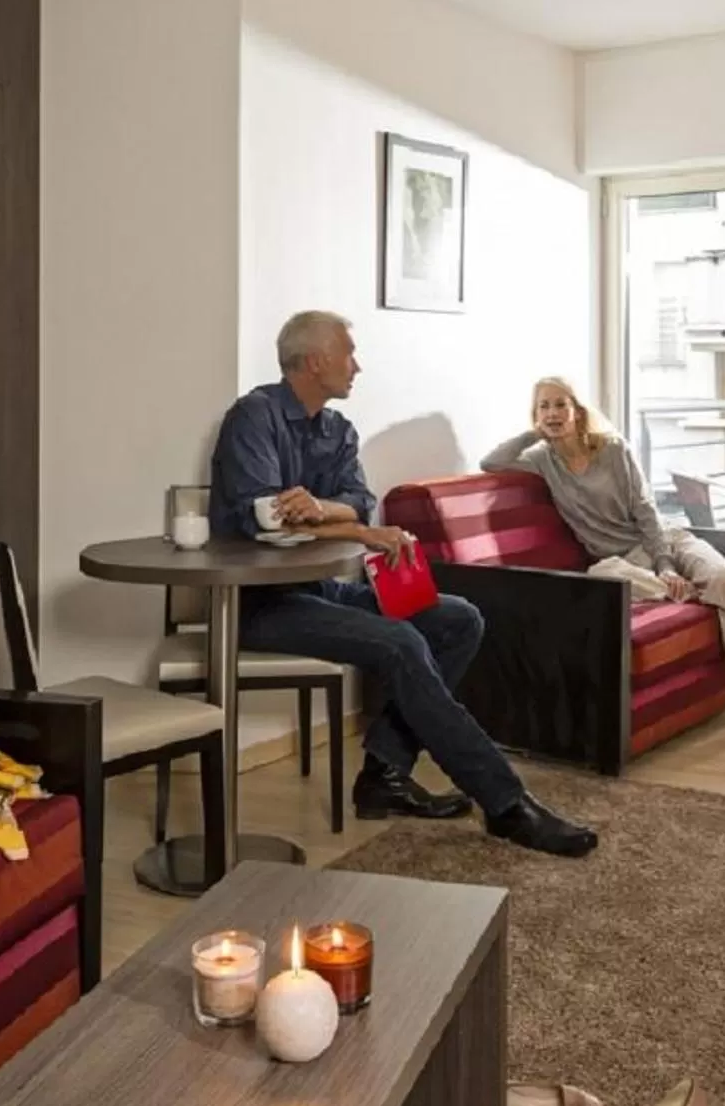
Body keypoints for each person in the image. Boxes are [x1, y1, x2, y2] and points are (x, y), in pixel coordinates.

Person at [211, 312, 599, 857]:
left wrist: (324, 510)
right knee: (401, 642)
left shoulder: (338, 429)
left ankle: (384, 773)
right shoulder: (254, 417)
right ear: (316, 360)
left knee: (457, 618)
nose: (358, 366)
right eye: (349, 353)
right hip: (259, 602)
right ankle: (507, 804)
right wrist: (355, 528)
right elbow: (266, 519)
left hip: (324, 591)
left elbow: (357, 500)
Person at [482, 377, 725, 728]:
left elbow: (646, 510)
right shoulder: (541, 460)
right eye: (544, 406)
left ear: (577, 410)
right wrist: (535, 434)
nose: (553, 413)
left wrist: (664, 563)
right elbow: (490, 462)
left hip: (663, 539)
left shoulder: (613, 449)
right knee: (599, 576)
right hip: (622, 562)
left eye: (560, 405)